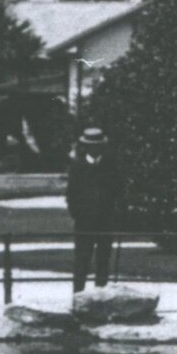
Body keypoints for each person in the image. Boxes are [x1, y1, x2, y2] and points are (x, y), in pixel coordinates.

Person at [65, 125, 121, 293]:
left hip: (105, 220)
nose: (94, 149)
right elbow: (71, 194)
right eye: (91, 146)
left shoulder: (111, 165)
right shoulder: (77, 166)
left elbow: (118, 191)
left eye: (98, 146)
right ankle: (78, 295)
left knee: (103, 260)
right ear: (86, 147)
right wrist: (77, 214)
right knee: (82, 260)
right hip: (84, 221)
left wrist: (115, 213)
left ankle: (100, 296)